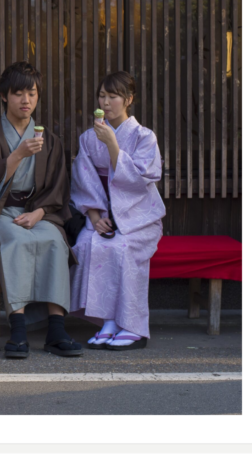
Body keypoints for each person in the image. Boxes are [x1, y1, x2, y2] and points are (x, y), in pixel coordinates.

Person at [0, 62, 81, 359]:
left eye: (31, 93)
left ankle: (56, 329)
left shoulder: (50, 141)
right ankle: (17, 328)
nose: (26, 100)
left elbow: (58, 189)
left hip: (37, 211)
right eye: (18, 93)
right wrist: (18, 155)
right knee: (16, 242)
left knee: (54, 242)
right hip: (1, 212)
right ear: (4, 96)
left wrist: (41, 213)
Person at [69, 71, 165, 350]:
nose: (106, 102)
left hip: (139, 218)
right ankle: (107, 321)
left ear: (128, 99)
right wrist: (95, 217)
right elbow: (84, 179)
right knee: (88, 243)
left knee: (122, 247)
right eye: (102, 96)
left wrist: (112, 144)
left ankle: (133, 328)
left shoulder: (143, 137)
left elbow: (141, 180)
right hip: (104, 216)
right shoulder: (88, 138)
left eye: (113, 96)